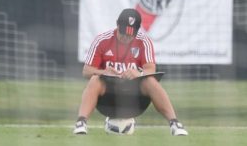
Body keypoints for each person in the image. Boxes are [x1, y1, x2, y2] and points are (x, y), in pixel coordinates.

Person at [73, 8, 188, 136]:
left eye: (130, 35)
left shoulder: (144, 42)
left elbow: (151, 69)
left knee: (150, 80)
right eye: (123, 33)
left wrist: (138, 74)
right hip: (107, 97)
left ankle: (174, 123)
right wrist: (104, 71)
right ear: (117, 25)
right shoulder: (102, 40)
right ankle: (81, 122)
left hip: (135, 99)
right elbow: (86, 71)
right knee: (95, 79)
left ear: (137, 31)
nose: (126, 37)